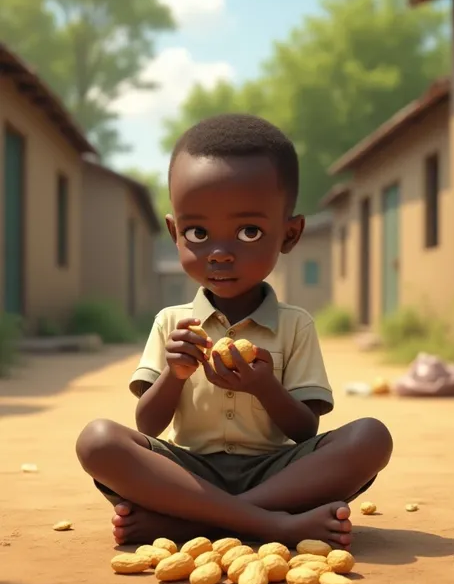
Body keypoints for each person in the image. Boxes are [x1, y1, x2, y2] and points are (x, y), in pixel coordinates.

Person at [76, 114, 393, 548]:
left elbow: (305, 430)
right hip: (188, 470)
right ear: (174, 232)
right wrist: (175, 373)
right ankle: (271, 524)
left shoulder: (295, 324)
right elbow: (149, 425)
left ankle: (194, 522)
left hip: (278, 470)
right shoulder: (172, 323)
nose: (220, 254)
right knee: (97, 442)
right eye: (198, 232)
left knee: (370, 438)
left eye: (249, 232)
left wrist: (265, 386)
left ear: (290, 233)